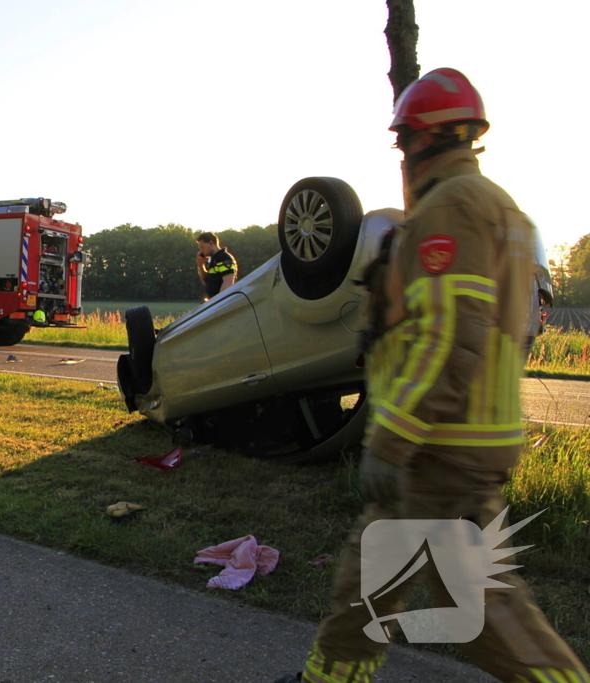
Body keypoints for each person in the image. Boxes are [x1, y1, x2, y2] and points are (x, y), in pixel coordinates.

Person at [275, 68, 587, 683]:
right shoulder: (507, 214)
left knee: (403, 587)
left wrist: (392, 440)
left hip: (440, 445)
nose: (401, 163)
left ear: (419, 143)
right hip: (474, 439)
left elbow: (450, 338)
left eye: (402, 147)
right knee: (470, 600)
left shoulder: (451, 208)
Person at [195, 232, 237, 299]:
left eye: (202, 247)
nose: (201, 251)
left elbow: (228, 282)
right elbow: (205, 281)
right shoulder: (213, 259)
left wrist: (217, 302)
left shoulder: (223, 258)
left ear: (211, 243)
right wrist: (200, 265)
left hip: (221, 303)